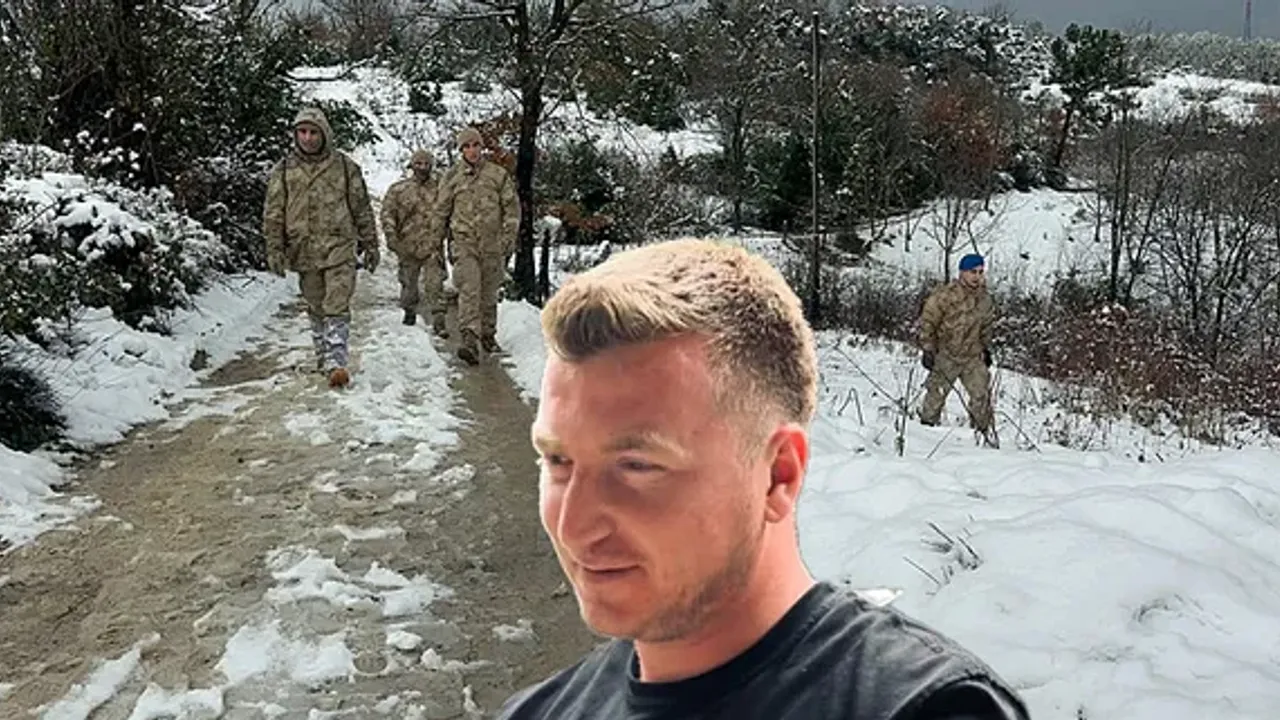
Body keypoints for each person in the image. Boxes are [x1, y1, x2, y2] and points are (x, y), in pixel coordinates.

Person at [499, 239, 1028, 719]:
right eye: (558, 461)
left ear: (777, 475)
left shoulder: (928, 709)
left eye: (636, 466)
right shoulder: (539, 712)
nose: (574, 526)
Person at [262, 106, 380, 389]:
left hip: (340, 247)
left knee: (337, 303)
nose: (308, 137)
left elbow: (361, 207)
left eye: (313, 132)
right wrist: (274, 248)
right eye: (302, 132)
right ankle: (322, 355)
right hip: (304, 251)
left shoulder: (345, 167)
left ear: (324, 134)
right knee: (316, 305)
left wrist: (371, 243)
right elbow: (274, 212)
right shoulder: (284, 170)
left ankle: (336, 363)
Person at [430, 126, 519, 365]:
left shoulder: (497, 175)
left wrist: (508, 237)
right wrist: (435, 244)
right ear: (461, 150)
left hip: (492, 244)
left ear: (482, 147)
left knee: (488, 293)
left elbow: (511, 208)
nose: (472, 150)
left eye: (476, 145)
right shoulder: (452, 177)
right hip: (464, 243)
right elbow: (440, 212)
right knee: (469, 288)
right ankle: (469, 338)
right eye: (466, 146)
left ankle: (488, 336)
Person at [918, 253, 996, 437]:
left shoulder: (985, 300)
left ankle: (982, 436)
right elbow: (928, 322)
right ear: (962, 272)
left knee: (981, 396)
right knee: (935, 396)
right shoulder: (944, 296)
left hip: (972, 357)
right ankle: (924, 435)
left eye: (980, 272)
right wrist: (928, 349)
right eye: (972, 272)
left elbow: (986, 327)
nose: (977, 276)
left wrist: (986, 349)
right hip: (947, 355)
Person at [382, 149, 447, 337]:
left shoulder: (441, 190)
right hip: (407, 245)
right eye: (418, 164)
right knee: (408, 284)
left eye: (426, 164)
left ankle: (439, 321)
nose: (422, 168)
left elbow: (450, 213)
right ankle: (409, 314)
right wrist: (391, 236)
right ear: (412, 165)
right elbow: (387, 213)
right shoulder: (398, 190)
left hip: (432, 245)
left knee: (435, 284)